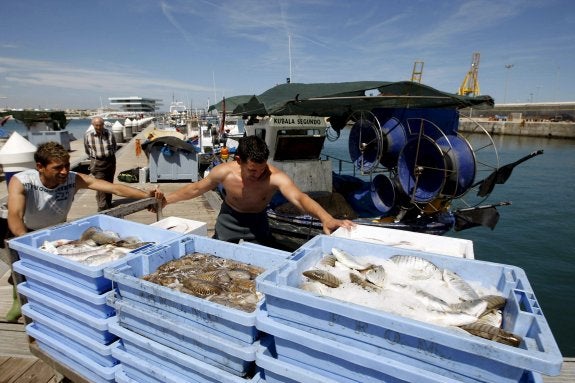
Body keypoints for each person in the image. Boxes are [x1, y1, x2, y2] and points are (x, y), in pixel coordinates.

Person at [4, 141, 163, 321]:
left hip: (57, 231)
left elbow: (115, 188)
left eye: (66, 165)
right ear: (40, 167)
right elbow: (15, 215)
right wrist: (27, 243)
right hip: (26, 232)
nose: (64, 171)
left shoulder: (73, 179)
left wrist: (147, 197)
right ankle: (18, 301)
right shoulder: (22, 181)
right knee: (20, 272)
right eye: (58, 167)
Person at [163, 135, 355, 247]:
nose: (258, 174)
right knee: (219, 259)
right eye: (252, 170)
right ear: (239, 161)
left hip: (259, 224)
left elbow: (299, 198)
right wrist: (166, 200)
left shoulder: (275, 177)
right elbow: (195, 189)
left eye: (262, 169)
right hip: (228, 221)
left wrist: (326, 218)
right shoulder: (223, 172)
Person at [84, 116, 117, 211]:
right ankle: (102, 207)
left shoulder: (110, 133)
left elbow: (114, 146)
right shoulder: (88, 135)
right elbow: (87, 149)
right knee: (100, 185)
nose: (99, 127)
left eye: (101, 125)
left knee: (109, 183)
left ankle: (109, 203)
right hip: (97, 162)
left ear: (103, 124)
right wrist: (94, 157)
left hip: (110, 160)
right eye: (96, 125)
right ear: (93, 125)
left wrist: (109, 155)